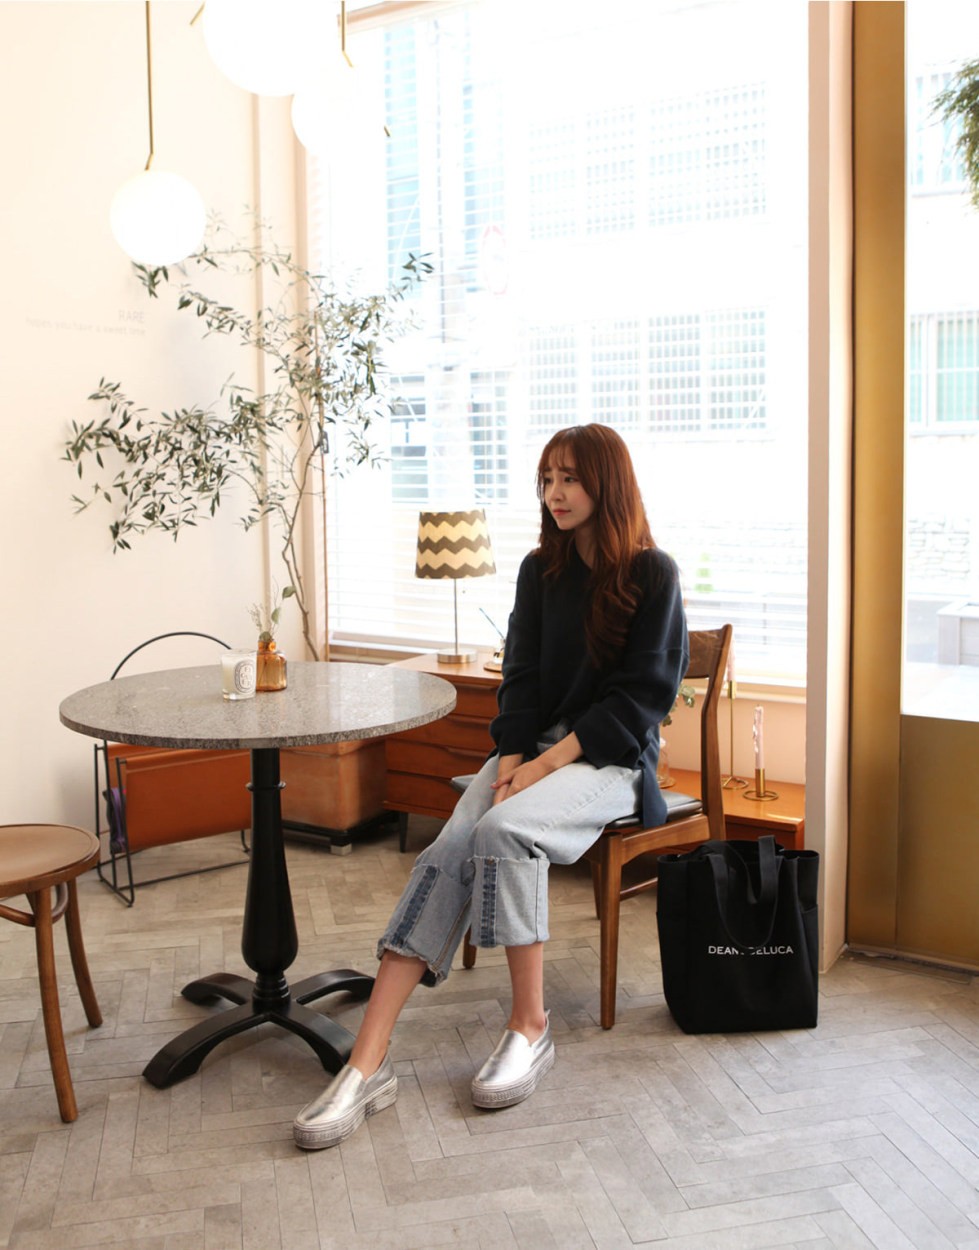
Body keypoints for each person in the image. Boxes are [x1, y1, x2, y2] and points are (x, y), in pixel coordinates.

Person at [293, 422, 689, 1150]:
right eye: (547, 479)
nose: (555, 493)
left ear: (606, 482)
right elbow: (522, 676)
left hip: (611, 763)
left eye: (570, 477)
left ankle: (529, 1027)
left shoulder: (651, 573)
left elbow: (641, 698)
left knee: (503, 831)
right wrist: (510, 758)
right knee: (450, 847)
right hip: (531, 751)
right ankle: (366, 1063)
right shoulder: (541, 570)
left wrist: (541, 767)